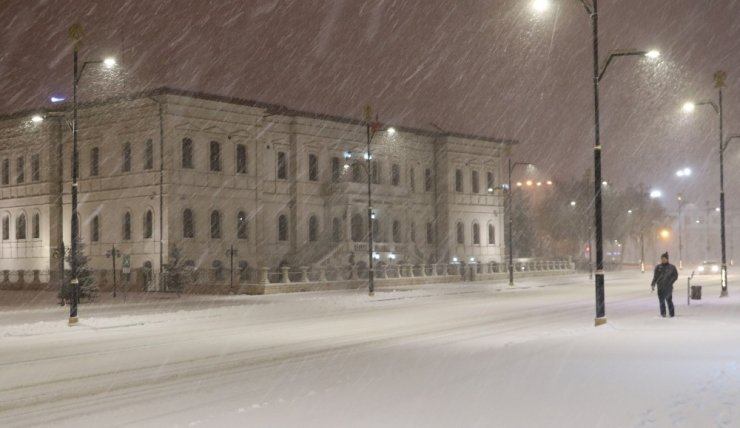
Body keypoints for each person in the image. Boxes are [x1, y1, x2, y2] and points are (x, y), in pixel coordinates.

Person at [650, 252, 678, 317]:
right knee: (661, 302)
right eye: (662, 259)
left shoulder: (672, 267)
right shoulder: (658, 267)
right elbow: (655, 277)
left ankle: (672, 314)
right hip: (660, 288)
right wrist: (653, 284)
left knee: (669, 301)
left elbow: (675, 276)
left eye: (664, 258)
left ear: (667, 259)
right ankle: (663, 314)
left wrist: (670, 281)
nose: (663, 260)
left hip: (668, 288)